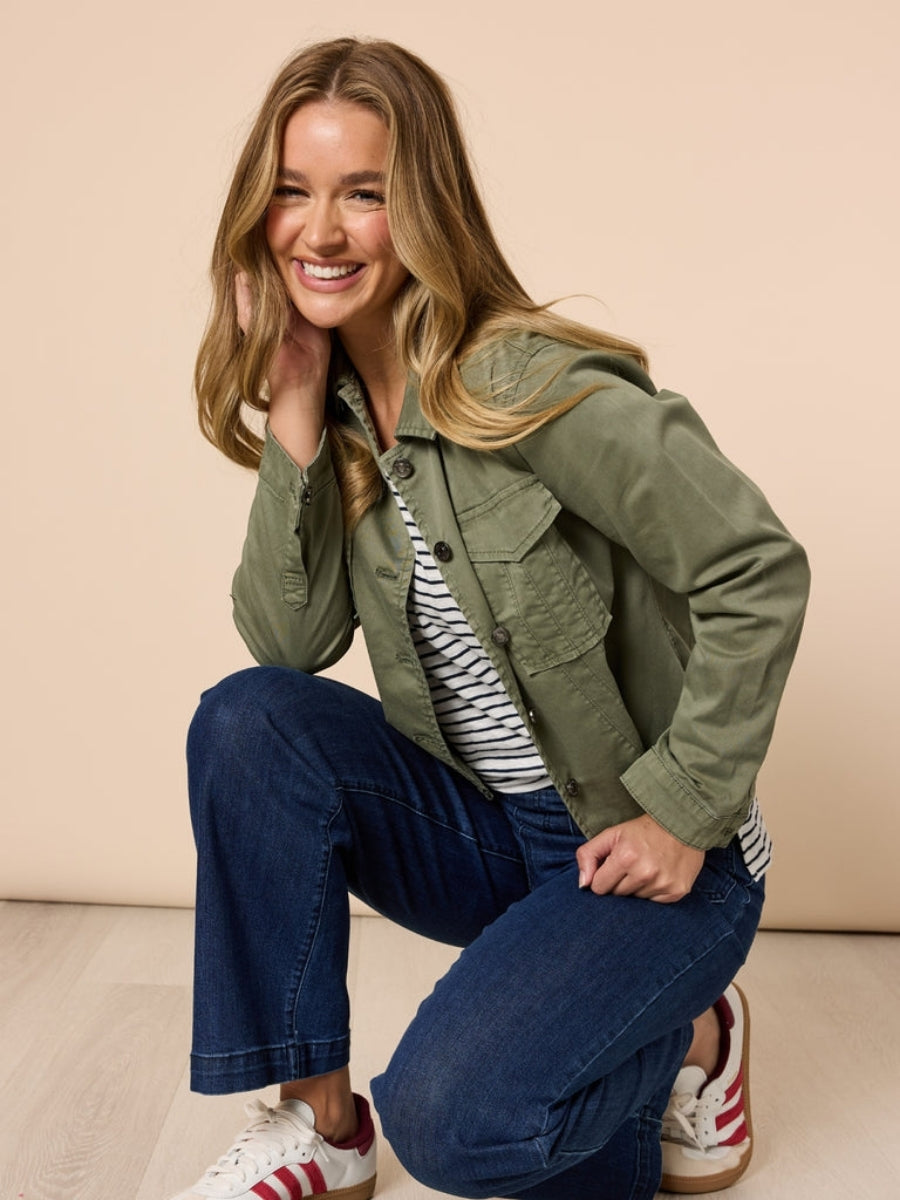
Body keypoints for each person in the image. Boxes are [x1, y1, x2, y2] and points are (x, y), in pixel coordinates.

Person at [178, 35, 809, 1200]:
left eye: (362, 194)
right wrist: (300, 402)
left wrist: (682, 811)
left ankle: (693, 1034)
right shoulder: (346, 413)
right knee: (247, 722)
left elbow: (756, 567)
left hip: (654, 862)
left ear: (422, 205)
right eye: (292, 191)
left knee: (461, 1120)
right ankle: (320, 1124)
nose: (319, 232)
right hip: (487, 838)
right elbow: (289, 642)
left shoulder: (529, 385)